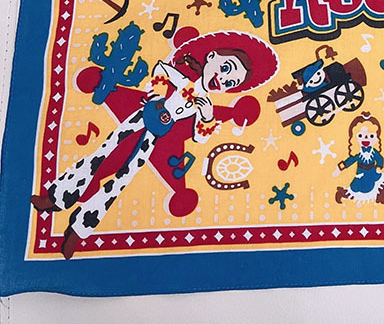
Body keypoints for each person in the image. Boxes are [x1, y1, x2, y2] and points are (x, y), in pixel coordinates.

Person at [30, 30, 279, 258]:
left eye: (231, 82)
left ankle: (79, 229)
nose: (222, 79)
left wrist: (206, 117)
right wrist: (157, 94)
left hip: (154, 136)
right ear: (211, 57)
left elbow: (201, 136)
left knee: (121, 180)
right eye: (225, 68)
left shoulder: (205, 103)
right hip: (141, 118)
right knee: (101, 156)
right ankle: (56, 198)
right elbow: (161, 70)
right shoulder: (184, 80)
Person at [335, 112, 384, 205]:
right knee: (356, 191)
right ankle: (342, 193)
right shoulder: (358, 154)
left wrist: (379, 166)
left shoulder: (374, 152)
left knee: (383, 184)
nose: (366, 138)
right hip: (361, 174)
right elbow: (350, 161)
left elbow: (380, 159)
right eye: (360, 136)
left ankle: (381, 198)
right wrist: (339, 168)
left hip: (373, 172)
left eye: (371, 136)